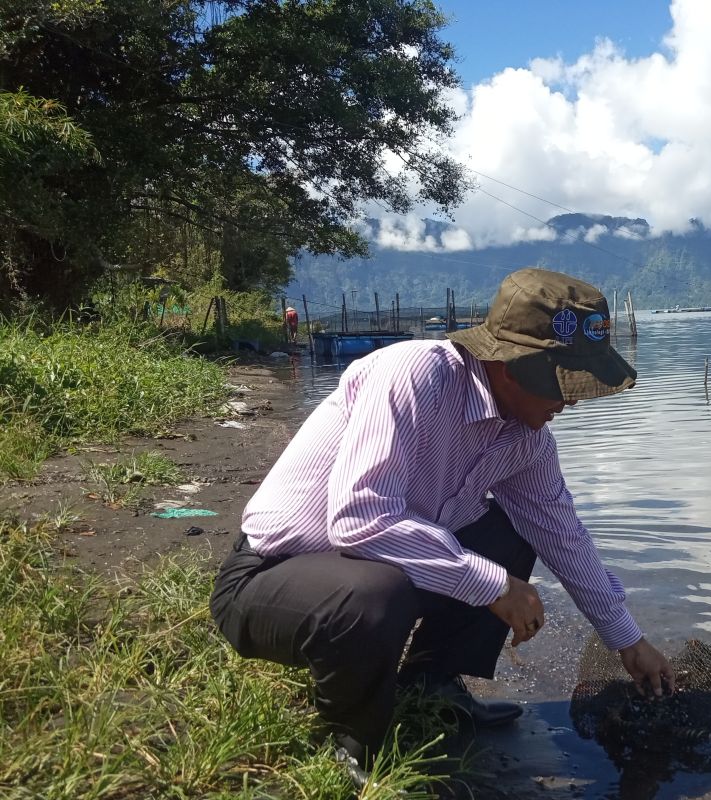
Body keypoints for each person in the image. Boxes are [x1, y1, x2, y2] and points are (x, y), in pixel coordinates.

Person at [211, 268, 675, 786]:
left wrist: (627, 639)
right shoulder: (412, 376)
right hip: (273, 578)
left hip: (368, 565)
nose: (565, 403)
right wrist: (494, 585)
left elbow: (562, 533)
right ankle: (356, 741)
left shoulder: (526, 438)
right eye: (559, 383)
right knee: (376, 592)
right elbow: (361, 519)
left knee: (515, 531)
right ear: (507, 364)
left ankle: (432, 685)